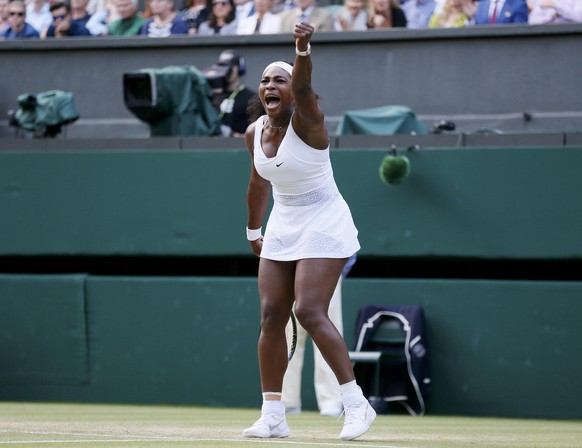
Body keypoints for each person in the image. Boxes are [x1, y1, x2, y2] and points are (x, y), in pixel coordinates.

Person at [242, 22, 376, 441]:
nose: (271, 85)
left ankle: (356, 404)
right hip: (282, 224)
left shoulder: (310, 121)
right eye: (264, 80)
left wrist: (301, 50)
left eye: (279, 79)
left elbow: (303, 87)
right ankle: (273, 414)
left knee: (309, 310)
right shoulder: (254, 133)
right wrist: (252, 231)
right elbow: (258, 183)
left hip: (325, 221)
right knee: (270, 317)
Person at [282, 254, 357, 417]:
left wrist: (336, 270)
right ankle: (287, 401)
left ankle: (331, 401)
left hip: (326, 267)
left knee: (326, 336)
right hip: (290, 268)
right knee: (289, 338)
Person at [205, 49, 256, 136]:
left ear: (239, 69)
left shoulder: (251, 97)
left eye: (229, 66)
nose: (225, 71)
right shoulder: (212, 96)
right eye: (222, 67)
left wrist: (235, 135)